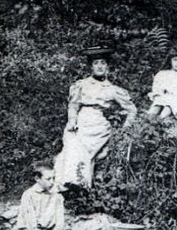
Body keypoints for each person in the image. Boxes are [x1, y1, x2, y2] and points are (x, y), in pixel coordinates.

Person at [54, 47, 137, 190]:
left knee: (83, 149)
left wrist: (126, 128)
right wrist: (72, 121)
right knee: (69, 147)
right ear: (90, 66)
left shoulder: (112, 89)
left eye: (103, 63)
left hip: (98, 125)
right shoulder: (81, 85)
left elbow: (132, 109)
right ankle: (63, 187)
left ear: (107, 66)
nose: (99, 66)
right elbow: (73, 105)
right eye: (96, 63)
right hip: (80, 121)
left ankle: (79, 186)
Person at [147, 43, 177, 119]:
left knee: (168, 108)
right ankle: (149, 121)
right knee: (156, 106)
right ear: (170, 61)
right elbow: (157, 89)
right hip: (164, 96)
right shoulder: (163, 74)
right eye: (175, 60)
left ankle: (159, 121)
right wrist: (160, 94)